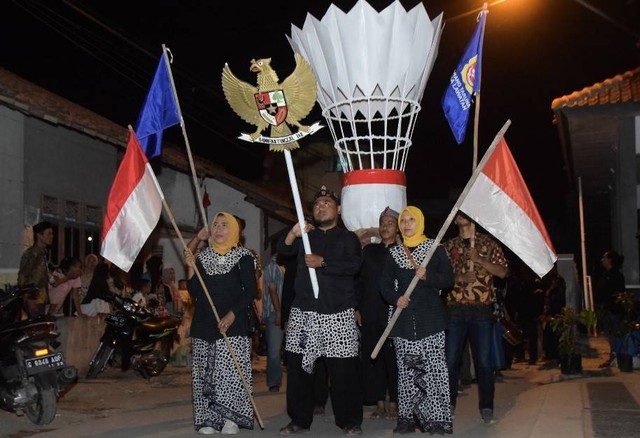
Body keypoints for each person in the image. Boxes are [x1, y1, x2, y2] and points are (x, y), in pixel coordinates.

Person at [277, 185, 363, 436]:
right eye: (316, 204)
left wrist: (323, 263)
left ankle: (349, 421)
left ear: (338, 209)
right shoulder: (306, 237)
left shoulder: (348, 238)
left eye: (326, 203)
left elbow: (354, 266)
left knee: (343, 371)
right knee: (298, 370)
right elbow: (283, 250)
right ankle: (299, 420)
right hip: (304, 313)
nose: (321, 206)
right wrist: (293, 233)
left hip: (337, 313)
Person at [380, 206, 454, 434]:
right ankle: (407, 419)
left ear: (420, 222)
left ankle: (438, 420)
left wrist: (428, 276)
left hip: (430, 321)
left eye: (412, 220)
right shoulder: (394, 253)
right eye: (403, 220)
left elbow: (448, 279)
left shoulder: (435, 248)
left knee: (434, 370)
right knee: (406, 371)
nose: (407, 224)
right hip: (403, 323)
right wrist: (395, 299)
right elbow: (383, 284)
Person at [184, 212, 258, 435]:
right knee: (205, 372)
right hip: (205, 322)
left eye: (224, 225)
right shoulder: (204, 257)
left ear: (234, 230)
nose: (218, 229)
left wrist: (232, 314)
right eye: (215, 225)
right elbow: (194, 291)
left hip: (233, 323)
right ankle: (208, 418)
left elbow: (251, 291)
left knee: (230, 372)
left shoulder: (244, 257)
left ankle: (230, 418)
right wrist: (191, 266)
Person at [443, 212, 508, 425]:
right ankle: (448, 404)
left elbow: (502, 272)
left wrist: (479, 260)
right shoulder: (448, 246)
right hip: (454, 309)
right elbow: (438, 277)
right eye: (458, 211)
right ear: (454, 219)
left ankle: (487, 407)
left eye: (466, 211)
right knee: (450, 360)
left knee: (483, 362)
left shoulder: (487, 243)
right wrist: (459, 278)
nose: (461, 214)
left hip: (481, 310)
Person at [356, 206, 400, 421]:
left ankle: (394, 402)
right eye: (382, 223)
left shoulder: (404, 252)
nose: (385, 227)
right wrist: (357, 307)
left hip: (394, 313)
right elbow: (360, 281)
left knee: (393, 358)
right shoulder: (369, 252)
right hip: (371, 310)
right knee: (373, 358)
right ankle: (379, 402)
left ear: (398, 228)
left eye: (390, 223)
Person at [593, 250, 626, 367]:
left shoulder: (616, 276)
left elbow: (616, 294)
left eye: (604, 258)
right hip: (607, 311)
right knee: (610, 335)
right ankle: (614, 357)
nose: (602, 260)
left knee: (614, 335)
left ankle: (616, 358)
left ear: (610, 260)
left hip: (612, 311)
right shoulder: (606, 274)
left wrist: (610, 307)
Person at [17, 221, 55, 316]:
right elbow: (22, 278)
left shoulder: (43, 253)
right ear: (39, 235)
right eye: (49, 233)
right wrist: (27, 298)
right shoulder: (31, 254)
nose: (52, 236)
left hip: (41, 298)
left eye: (52, 233)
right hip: (33, 299)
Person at [261, 250, 285, 392]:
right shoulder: (272, 267)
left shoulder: (283, 267)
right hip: (274, 312)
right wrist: (278, 311)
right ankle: (274, 382)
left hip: (284, 312)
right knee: (274, 350)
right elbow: (272, 289)